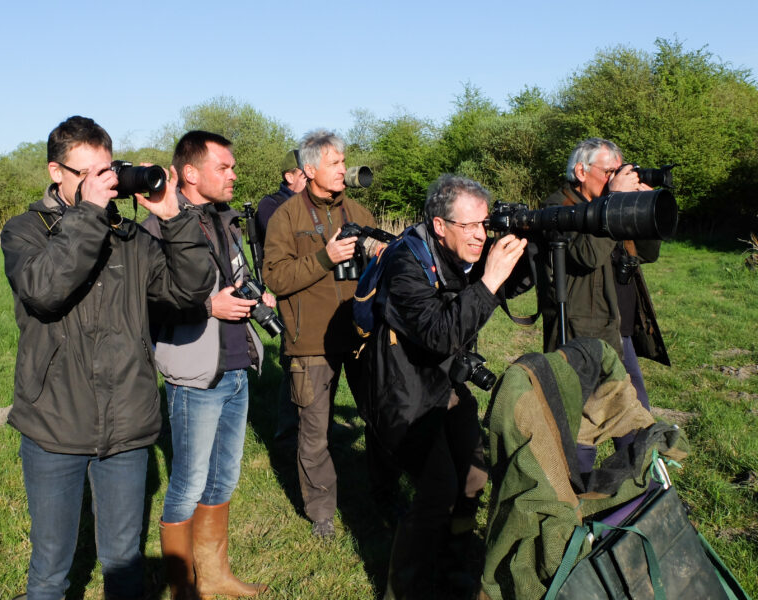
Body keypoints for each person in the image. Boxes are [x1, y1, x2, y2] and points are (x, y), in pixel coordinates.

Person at [0, 116, 215, 600]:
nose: (104, 183)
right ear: (57, 172)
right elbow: (44, 291)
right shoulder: (25, 232)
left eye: (108, 171)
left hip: (127, 423)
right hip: (54, 422)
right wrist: (91, 215)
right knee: (51, 571)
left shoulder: (131, 238)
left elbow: (191, 290)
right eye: (88, 173)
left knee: (123, 563)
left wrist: (173, 217)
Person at [361, 174, 527, 598]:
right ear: (439, 225)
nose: (480, 235)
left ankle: (455, 561)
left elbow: (513, 284)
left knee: (473, 475)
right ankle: (405, 587)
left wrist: (530, 247)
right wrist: (489, 281)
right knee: (437, 489)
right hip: (403, 389)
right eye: (469, 226)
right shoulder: (405, 263)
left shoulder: (464, 251)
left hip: (446, 379)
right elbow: (438, 333)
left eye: (484, 224)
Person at [143, 130, 272, 599]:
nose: (234, 174)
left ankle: (215, 576)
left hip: (236, 367)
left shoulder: (226, 221)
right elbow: (152, 302)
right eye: (225, 167)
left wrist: (256, 298)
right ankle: (182, 585)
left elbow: (229, 281)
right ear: (191, 173)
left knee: (224, 477)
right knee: (188, 481)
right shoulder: (159, 227)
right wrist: (206, 309)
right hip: (194, 374)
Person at [262, 129, 377, 539]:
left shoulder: (360, 213)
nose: (344, 169)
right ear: (309, 170)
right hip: (310, 342)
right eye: (335, 163)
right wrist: (324, 258)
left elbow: (382, 273)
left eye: (344, 162)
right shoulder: (286, 216)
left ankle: (383, 497)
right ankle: (322, 513)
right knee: (314, 432)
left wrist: (378, 255)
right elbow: (274, 278)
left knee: (379, 419)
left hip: (362, 338)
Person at [536, 137, 666, 470]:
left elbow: (648, 253)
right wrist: (615, 199)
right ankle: (575, 501)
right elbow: (587, 254)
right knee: (582, 428)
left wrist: (643, 203)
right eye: (609, 171)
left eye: (617, 172)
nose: (613, 178)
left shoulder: (609, 204)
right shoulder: (558, 208)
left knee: (634, 419)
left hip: (617, 330)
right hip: (580, 335)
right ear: (581, 170)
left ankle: (643, 496)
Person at [255, 149, 307, 449]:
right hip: (287, 292)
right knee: (295, 363)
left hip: (312, 291)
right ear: (289, 176)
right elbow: (290, 240)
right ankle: (288, 434)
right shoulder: (271, 205)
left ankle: (313, 428)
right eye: (304, 174)